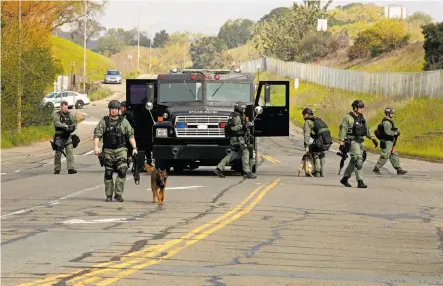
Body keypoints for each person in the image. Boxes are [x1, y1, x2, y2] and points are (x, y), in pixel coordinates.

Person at [93, 100, 138, 202]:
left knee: (122, 170)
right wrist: (96, 147)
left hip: (121, 149)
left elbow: (130, 135)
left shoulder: (124, 122)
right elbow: (97, 135)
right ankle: (109, 195)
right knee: (108, 172)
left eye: (115, 109)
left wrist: (134, 148)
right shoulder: (104, 121)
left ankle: (118, 194)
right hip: (108, 150)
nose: (113, 111)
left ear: (119, 110)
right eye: (111, 109)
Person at [338, 100, 378, 188]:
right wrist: (341, 142)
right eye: (360, 108)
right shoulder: (347, 118)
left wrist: (372, 138)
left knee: (353, 161)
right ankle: (360, 181)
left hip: (360, 142)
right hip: (352, 142)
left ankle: (345, 178)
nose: (361, 109)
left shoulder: (361, 118)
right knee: (358, 160)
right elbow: (343, 129)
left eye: (362, 108)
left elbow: (366, 129)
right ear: (355, 108)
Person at [214, 101, 256, 179]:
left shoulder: (239, 115)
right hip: (237, 138)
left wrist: (247, 124)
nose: (244, 110)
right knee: (245, 152)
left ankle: (219, 168)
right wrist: (244, 125)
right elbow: (233, 128)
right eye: (243, 108)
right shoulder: (236, 117)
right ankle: (247, 172)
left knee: (233, 154)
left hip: (237, 138)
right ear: (239, 108)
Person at [373, 107, 408, 175]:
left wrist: (395, 131)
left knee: (394, 155)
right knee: (385, 155)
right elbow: (387, 132)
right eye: (391, 113)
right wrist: (395, 133)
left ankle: (399, 170)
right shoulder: (386, 122)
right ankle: (376, 169)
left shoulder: (388, 121)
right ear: (388, 113)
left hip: (390, 141)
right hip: (387, 141)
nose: (393, 114)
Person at [302, 107, 331, 177]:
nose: (303, 117)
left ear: (306, 115)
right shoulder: (317, 119)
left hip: (321, 140)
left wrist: (307, 145)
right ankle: (321, 172)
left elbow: (307, 134)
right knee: (322, 153)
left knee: (314, 151)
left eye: (303, 115)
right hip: (328, 139)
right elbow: (321, 131)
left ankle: (317, 171)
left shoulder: (308, 121)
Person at [53, 101, 77, 174]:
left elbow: (74, 122)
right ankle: (57, 169)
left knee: (70, 152)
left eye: (66, 107)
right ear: (61, 107)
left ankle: (71, 169)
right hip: (59, 137)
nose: (66, 109)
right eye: (64, 108)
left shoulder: (70, 114)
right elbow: (56, 123)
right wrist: (65, 126)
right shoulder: (57, 114)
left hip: (67, 136)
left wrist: (72, 127)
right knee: (58, 153)